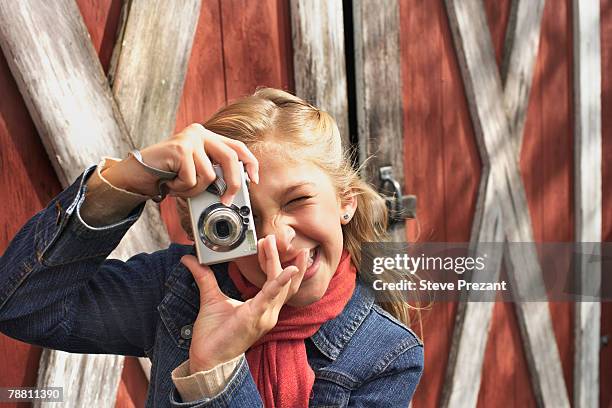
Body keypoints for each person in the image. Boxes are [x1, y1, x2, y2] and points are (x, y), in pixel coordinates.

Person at [0, 88, 423, 407]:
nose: (276, 238)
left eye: (297, 200)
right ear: (210, 229)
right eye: (245, 218)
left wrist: (215, 376)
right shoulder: (179, 290)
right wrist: (129, 179)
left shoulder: (387, 355)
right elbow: (23, 307)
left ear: (345, 202)